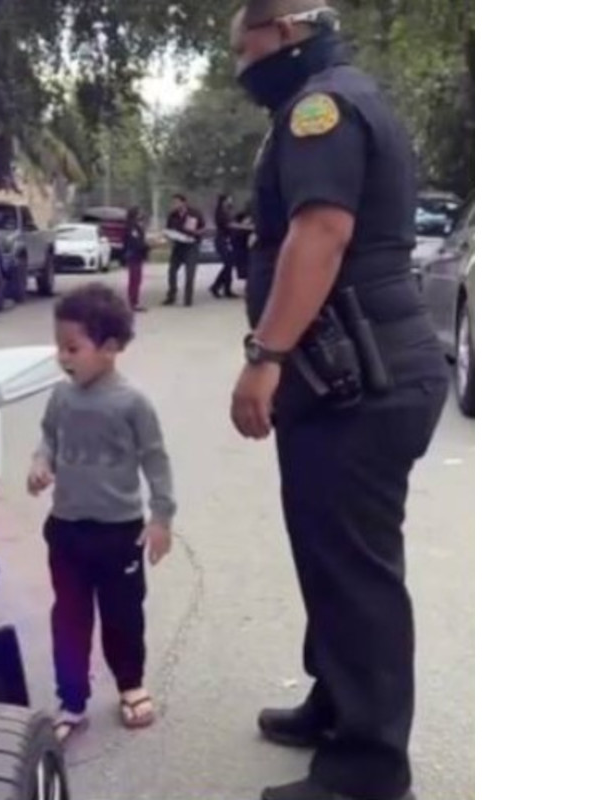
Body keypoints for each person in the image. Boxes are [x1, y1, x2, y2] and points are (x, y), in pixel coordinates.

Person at [227, 2, 450, 799]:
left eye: (242, 44)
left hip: (361, 374)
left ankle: (367, 770)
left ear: (283, 31)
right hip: (351, 373)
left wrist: (265, 355)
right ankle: (338, 703)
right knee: (329, 555)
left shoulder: (320, 107)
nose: (238, 62)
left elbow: (319, 233)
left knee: (355, 572)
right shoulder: (338, 95)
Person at [27, 282, 177, 744]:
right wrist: (40, 461)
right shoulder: (61, 397)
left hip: (119, 533)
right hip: (67, 529)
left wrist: (161, 519)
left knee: (122, 615)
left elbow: (155, 459)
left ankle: (130, 684)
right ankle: (71, 698)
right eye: (59, 347)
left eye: (72, 347)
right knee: (68, 617)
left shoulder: (133, 403)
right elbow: (48, 437)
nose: (63, 357)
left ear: (110, 348)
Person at [163, 193, 204, 306]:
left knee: (190, 273)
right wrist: (169, 236)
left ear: (183, 202)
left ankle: (188, 299)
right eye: (173, 202)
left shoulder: (194, 213)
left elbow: (203, 228)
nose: (174, 204)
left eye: (176, 202)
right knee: (172, 271)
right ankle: (171, 295)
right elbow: (168, 230)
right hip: (178, 246)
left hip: (191, 246)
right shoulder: (172, 215)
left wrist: (195, 233)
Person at [210, 194, 240, 298]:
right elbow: (229, 225)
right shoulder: (220, 213)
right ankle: (217, 286)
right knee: (229, 264)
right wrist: (245, 226)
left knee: (229, 265)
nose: (231, 201)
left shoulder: (228, 211)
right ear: (224, 201)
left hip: (228, 241)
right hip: (222, 241)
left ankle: (224, 288)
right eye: (229, 199)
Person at [123, 206, 151, 312]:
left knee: (136, 280)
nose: (142, 215)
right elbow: (135, 242)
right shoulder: (131, 227)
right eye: (140, 213)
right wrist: (148, 246)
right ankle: (133, 303)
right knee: (134, 280)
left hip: (137, 256)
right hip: (133, 255)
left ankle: (134, 301)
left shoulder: (136, 226)